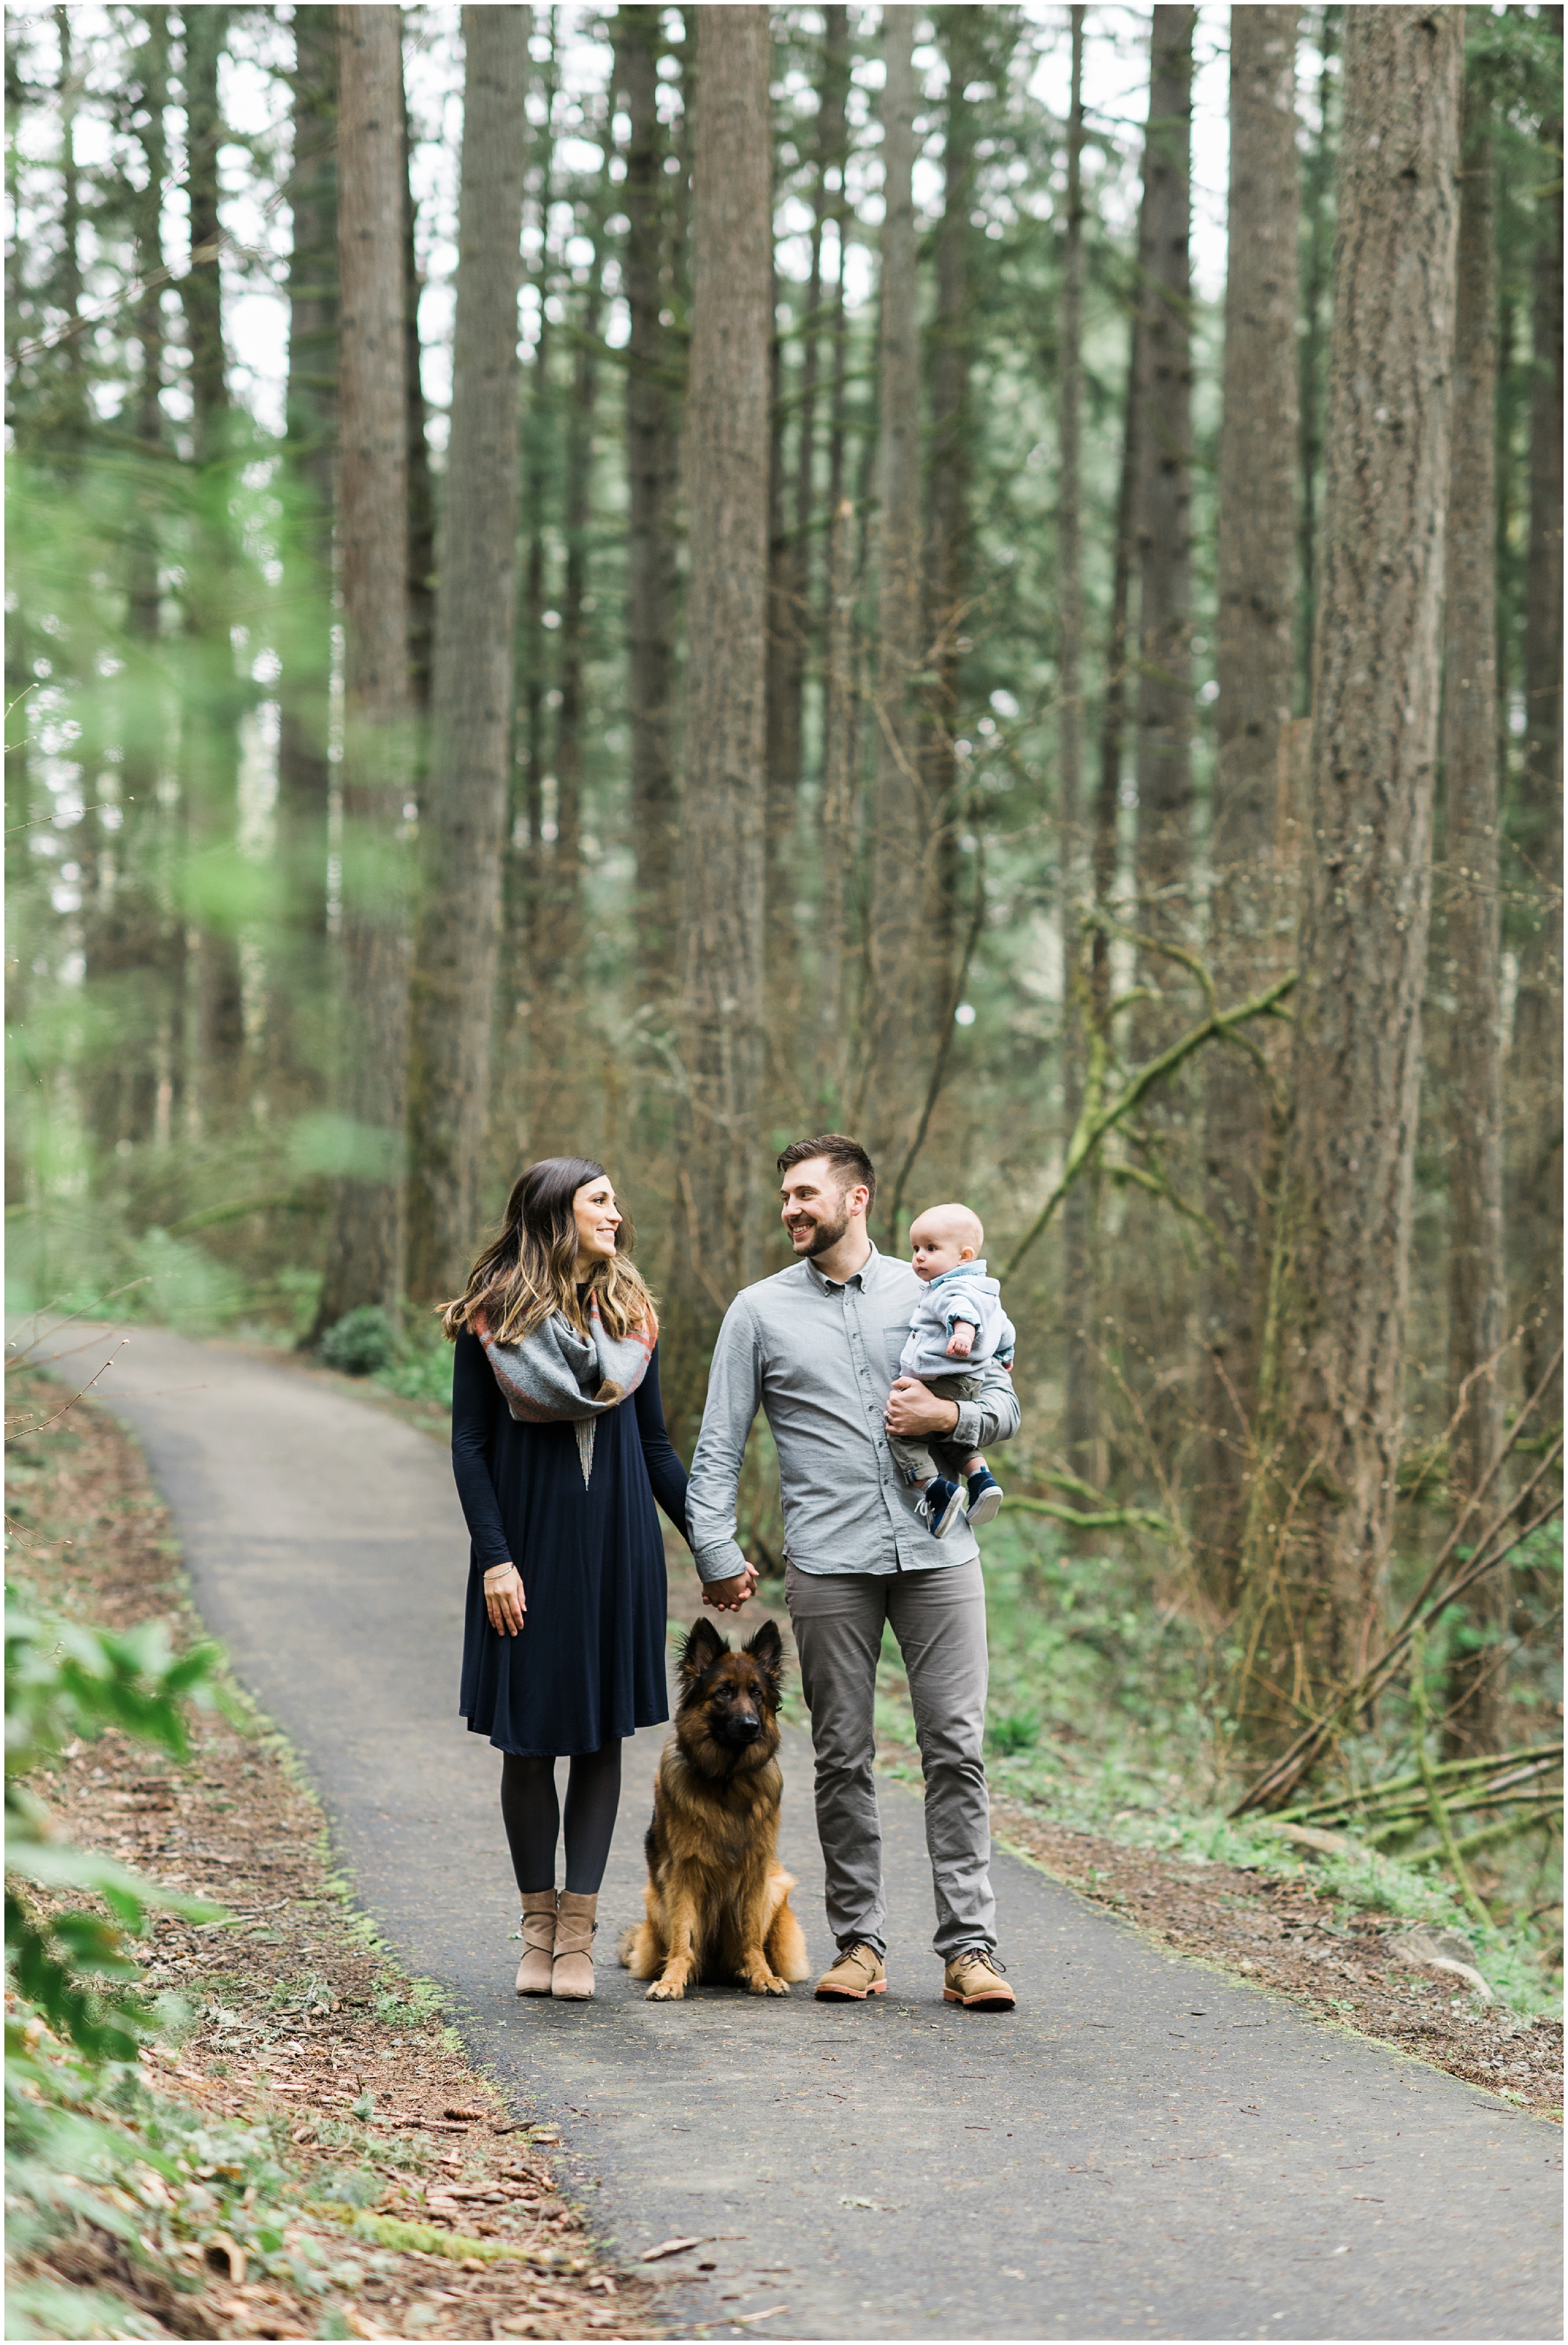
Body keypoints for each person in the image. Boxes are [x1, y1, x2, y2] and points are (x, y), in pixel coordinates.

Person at [684, 1134, 1021, 2012]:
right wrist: (717, 1552)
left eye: (806, 1193)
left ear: (857, 1198)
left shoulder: (938, 1291)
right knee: (842, 1755)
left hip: (939, 1554)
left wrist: (948, 1411)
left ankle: (970, 1950)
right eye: (785, 1195)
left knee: (957, 1747)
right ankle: (861, 1943)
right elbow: (718, 1446)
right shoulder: (757, 1311)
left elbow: (1004, 1405)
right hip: (830, 1561)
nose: (791, 1208)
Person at [443, 1157, 689, 2002]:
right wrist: (495, 1557)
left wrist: (714, 1546)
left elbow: (655, 1448)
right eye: (600, 1201)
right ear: (556, 1214)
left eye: (616, 1200)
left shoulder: (632, 1318)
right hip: (527, 1550)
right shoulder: (494, 1317)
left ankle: (577, 1934)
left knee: (599, 1737)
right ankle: (536, 1926)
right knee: (527, 1739)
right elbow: (470, 1445)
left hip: (618, 1545)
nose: (617, 1214)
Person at [886, 1202, 1015, 1539]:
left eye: (931, 1248)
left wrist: (962, 1334)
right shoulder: (989, 1290)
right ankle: (981, 1478)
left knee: (904, 1434)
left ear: (964, 1256)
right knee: (951, 1438)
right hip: (970, 1384)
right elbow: (1004, 1327)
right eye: (916, 1249)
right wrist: (1005, 1352)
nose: (919, 1257)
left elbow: (958, 1310)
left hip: (940, 1377)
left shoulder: (947, 1287)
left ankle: (936, 1491)